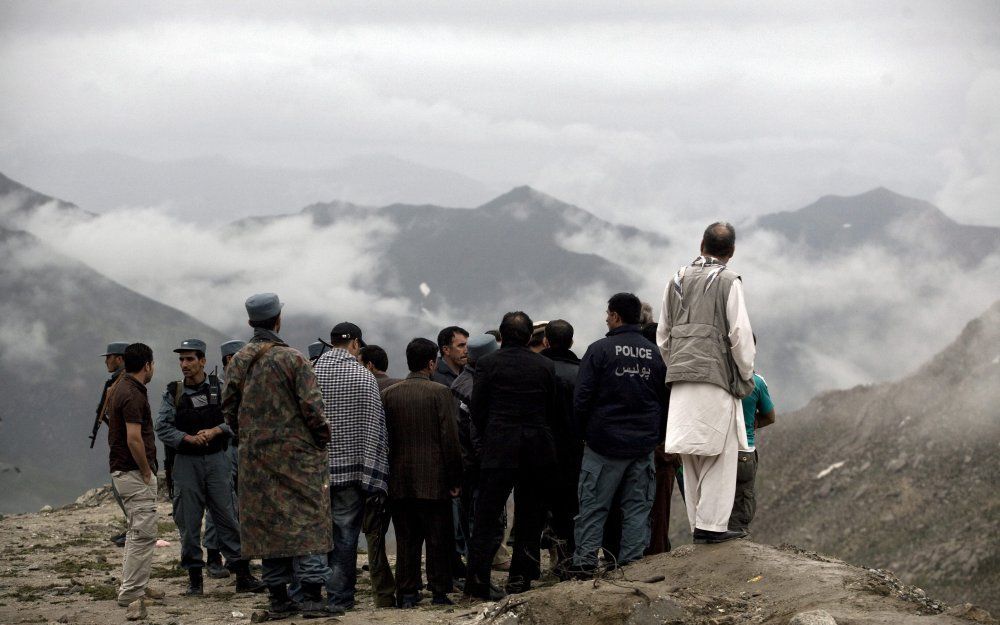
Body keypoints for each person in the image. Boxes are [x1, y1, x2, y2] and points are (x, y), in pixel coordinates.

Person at [222, 293, 335, 618]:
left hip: (256, 463)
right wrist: (320, 438)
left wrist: (250, 440)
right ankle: (313, 598)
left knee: (266, 527)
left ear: (250, 322)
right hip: (299, 460)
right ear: (278, 320)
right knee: (307, 524)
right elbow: (313, 409)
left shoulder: (239, 361)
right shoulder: (294, 359)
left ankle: (278, 598)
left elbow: (229, 411)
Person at [656, 222, 756, 544]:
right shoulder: (729, 282)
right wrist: (744, 373)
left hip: (681, 378)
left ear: (701, 244)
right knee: (720, 451)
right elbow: (739, 335)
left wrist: (677, 365)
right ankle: (711, 526)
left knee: (691, 453)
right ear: (732, 251)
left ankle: (697, 522)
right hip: (715, 377)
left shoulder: (676, 280)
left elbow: (663, 336)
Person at [155, 339, 264, 596]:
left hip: (217, 460)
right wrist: (187, 438)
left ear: (202, 361)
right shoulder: (174, 392)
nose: (185, 364)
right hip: (185, 463)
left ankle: (242, 574)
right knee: (189, 522)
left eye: (190, 359)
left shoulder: (219, 388)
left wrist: (216, 430)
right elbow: (162, 426)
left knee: (226, 517)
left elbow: (237, 418)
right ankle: (195, 579)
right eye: (181, 359)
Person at [465, 311, 558, 600]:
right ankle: (521, 579)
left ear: (501, 336)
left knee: (486, 516)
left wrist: (492, 433)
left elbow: (477, 409)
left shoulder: (487, 364)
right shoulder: (544, 365)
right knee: (530, 515)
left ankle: (477, 582)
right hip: (536, 449)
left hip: (499, 446)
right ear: (531, 336)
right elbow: (551, 409)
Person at [572, 294, 667, 572]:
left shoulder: (599, 350)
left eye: (607, 314)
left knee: (593, 507)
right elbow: (664, 400)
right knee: (637, 509)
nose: (606, 318)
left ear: (615, 316)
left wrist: (585, 434)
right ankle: (632, 566)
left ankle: (585, 565)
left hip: (603, 446)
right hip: (642, 446)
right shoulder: (655, 355)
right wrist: (654, 436)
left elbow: (582, 399)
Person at [312, 321, 389, 613]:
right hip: (352, 472)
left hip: (316, 471)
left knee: (316, 536)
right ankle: (340, 597)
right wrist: (373, 472)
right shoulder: (363, 377)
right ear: (356, 344)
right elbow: (375, 428)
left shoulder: (312, 372)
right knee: (346, 537)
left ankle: (308, 590)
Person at [382, 338, 464, 607]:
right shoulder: (440, 393)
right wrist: (455, 479)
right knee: (438, 538)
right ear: (431, 363)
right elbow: (449, 440)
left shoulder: (390, 394)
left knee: (407, 539)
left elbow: (386, 440)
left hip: (399, 479)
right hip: (434, 480)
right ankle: (439, 591)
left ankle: (406, 593)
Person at [106, 342, 163, 609]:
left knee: (136, 531)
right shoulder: (133, 394)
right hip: (132, 472)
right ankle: (130, 593)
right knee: (143, 533)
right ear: (147, 365)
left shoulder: (122, 386)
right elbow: (133, 439)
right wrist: (146, 471)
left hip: (123, 470)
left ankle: (135, 585)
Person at [538, 320, 583, 577]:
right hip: (574, 451)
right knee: (572, 507)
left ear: (546, 341)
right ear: (572, 342)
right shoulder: (581, 372)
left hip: (540, 450)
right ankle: (571, 558)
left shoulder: (538, 369)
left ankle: (544, 561)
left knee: (541, 508)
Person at [357, 343, 398, 608]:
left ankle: (383, 593)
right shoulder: (401, 386)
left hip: (373, 474)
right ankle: (409, 588)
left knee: (374, 535)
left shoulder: (364, 390)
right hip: (402, 473)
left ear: (369, 366)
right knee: (408, 533)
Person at [203, 339, 246, 578]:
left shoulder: (239, 385)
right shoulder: (217, 388)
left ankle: (234, 555)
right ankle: (212, 554)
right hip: (225, 450)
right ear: (230, 359)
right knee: (220, 504)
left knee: (236, 505)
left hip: (240, 447)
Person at [729, 370, 775, 533]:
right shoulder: (757, 382)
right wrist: (750, 424)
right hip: (744, 452)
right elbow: (770, 417)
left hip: (717, 451)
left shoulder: (717, 376)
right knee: (741, 506)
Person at [94, 341, 130, 547]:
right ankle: (131, 528)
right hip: (120, 446)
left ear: (119, 359)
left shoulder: (124, 383)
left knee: (124, 491)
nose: (106, 361)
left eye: (109, 357)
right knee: (120, 490)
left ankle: (135, 531)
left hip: (126, 448)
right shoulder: (116, 382)